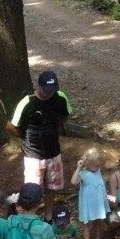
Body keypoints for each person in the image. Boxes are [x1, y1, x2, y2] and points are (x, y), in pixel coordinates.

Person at [5, 70, 73, 215]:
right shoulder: (27, 103)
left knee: (52, 186)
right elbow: (10, 126)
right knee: (32, 189)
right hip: (33, 155)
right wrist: (25, 136)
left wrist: (54, 128)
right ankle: (31, 216)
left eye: (52, 90)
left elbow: (66, 114)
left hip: (54, 152)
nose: (50, 93)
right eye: (47, 90)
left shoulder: (60, 97)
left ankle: (48, 214)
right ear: (39, 86)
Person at [71, 147, 110, 239]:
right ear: (88, 164)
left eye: (98, 164)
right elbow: (73, 182)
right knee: (86, 225)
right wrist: (79, 168)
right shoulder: (83, 173)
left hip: (98, 203)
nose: (98, 166)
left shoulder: (97, 170)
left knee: (98, 221)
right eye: (95, 165)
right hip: (88, 205)